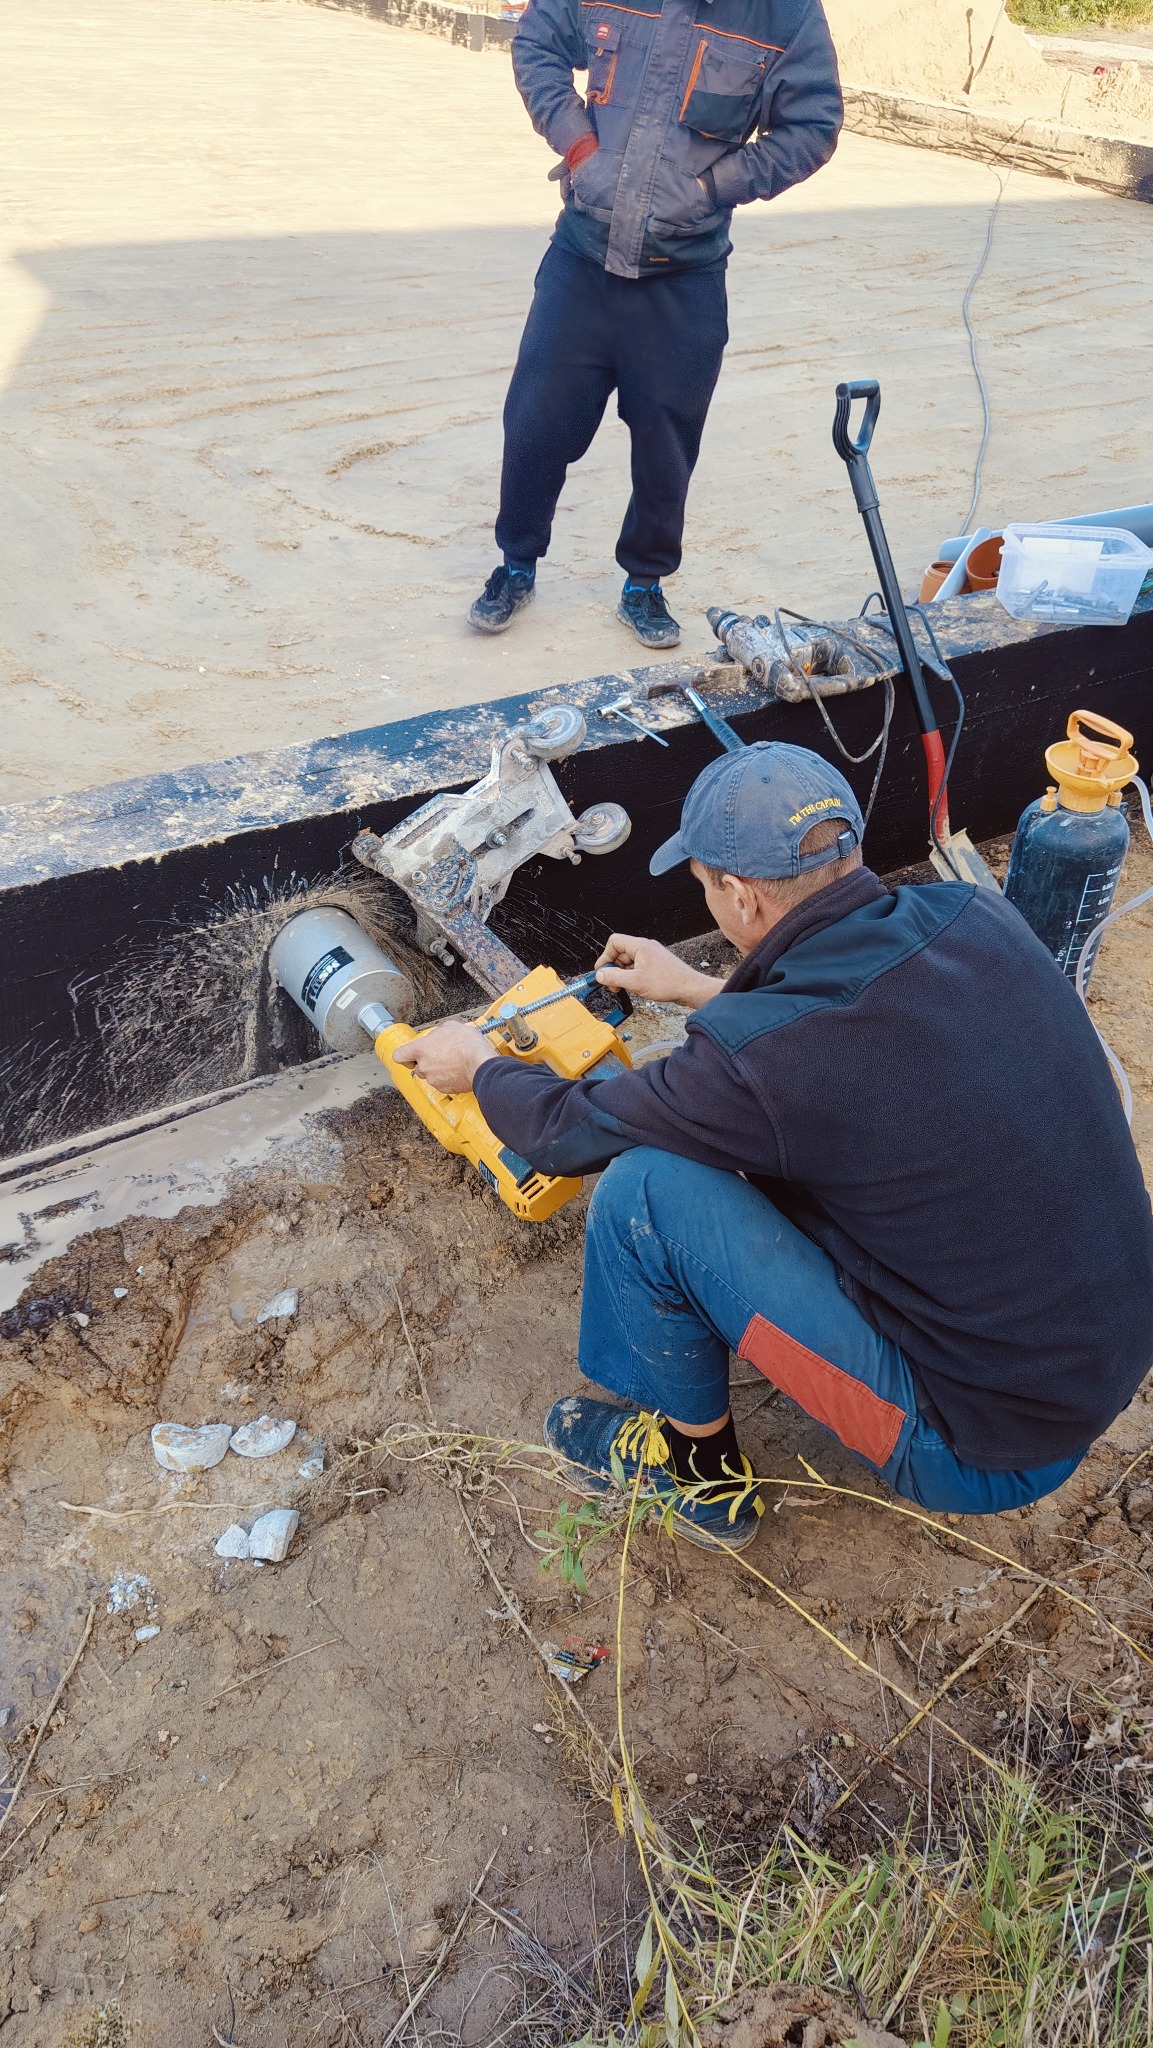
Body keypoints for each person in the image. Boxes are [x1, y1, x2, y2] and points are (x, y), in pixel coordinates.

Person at [394, 742, 1153, 1549]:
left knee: (645, 1192)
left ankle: (698, 1482)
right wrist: (692, 988)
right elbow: (857, 1038)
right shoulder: (972, 915)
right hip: (1099, 1360)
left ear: (740, 895)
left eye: (705, 887)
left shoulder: (761, 1065)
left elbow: (561, 1133)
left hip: (980, 1446)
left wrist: (476, 1068)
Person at [468, 0, 843, 648]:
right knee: (534, 425)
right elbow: (536, 40)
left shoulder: (784, 14)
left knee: (666, 446)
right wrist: (579, 145)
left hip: (684, 276)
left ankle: (644, 581)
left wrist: (713, 187)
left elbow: (812, 124)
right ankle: (515, 564)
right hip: (581, 259)